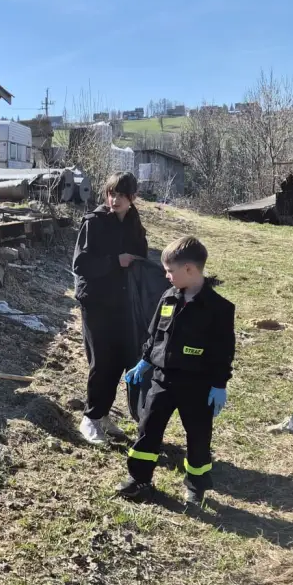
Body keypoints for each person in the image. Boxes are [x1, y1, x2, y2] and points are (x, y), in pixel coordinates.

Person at [117, 237, 235, 507]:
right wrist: (145, 361)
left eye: (170, 271)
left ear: (190, 270)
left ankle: (196, 486)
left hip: (198, 386)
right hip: (162, 380)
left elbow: (223, 352)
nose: (166, 276)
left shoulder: (219, 309)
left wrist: (219, 384)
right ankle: (140, 480)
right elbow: (154, 335)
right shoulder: (168, 297)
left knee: (198, 436)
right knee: (148, 429)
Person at [72, 171, 149, 445]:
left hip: (123, 301)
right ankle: (90, 418)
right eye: (111, 193)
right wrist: (116, 261)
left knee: (118, 360)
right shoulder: (94, 222)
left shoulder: (133, 221)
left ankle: (103, 414)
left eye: (121, 195)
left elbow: (141, 254)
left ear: (132, 198)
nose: (114, 199)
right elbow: (81, 265)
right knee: (101, 360)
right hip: (95, 300)